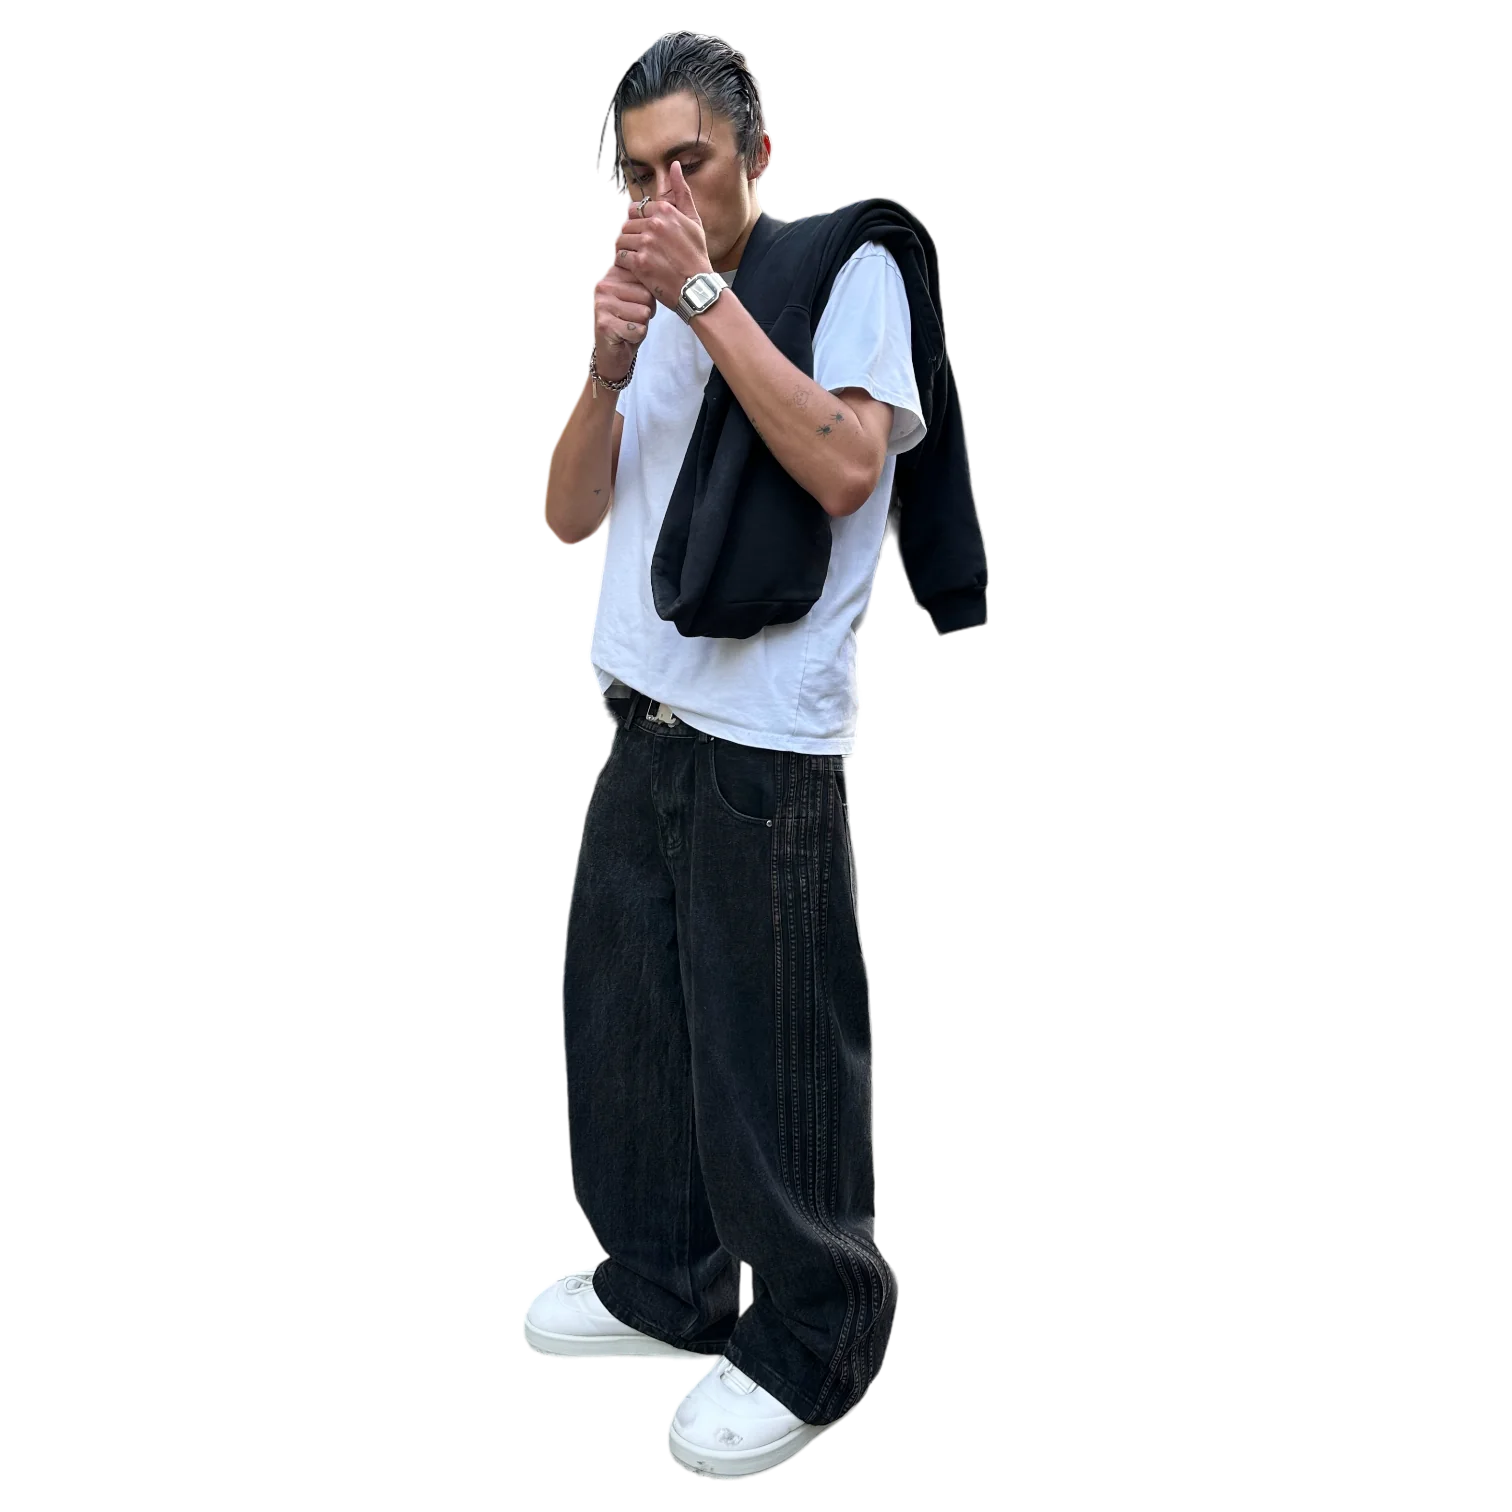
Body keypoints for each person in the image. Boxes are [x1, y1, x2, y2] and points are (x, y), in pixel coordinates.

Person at [542, 31, 916, 1480]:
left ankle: (817, 1342)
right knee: (627, 1029)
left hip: (767, 735)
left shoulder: (845, 270)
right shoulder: (646, 301)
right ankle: (663, 1287)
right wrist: (606, 365)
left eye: (688, 163)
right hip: (643, 711)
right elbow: (570, 513)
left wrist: (702, 295)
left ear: (757, 153)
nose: (662, 196)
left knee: (777, 1060)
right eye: (638, 174)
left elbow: (846, 464)